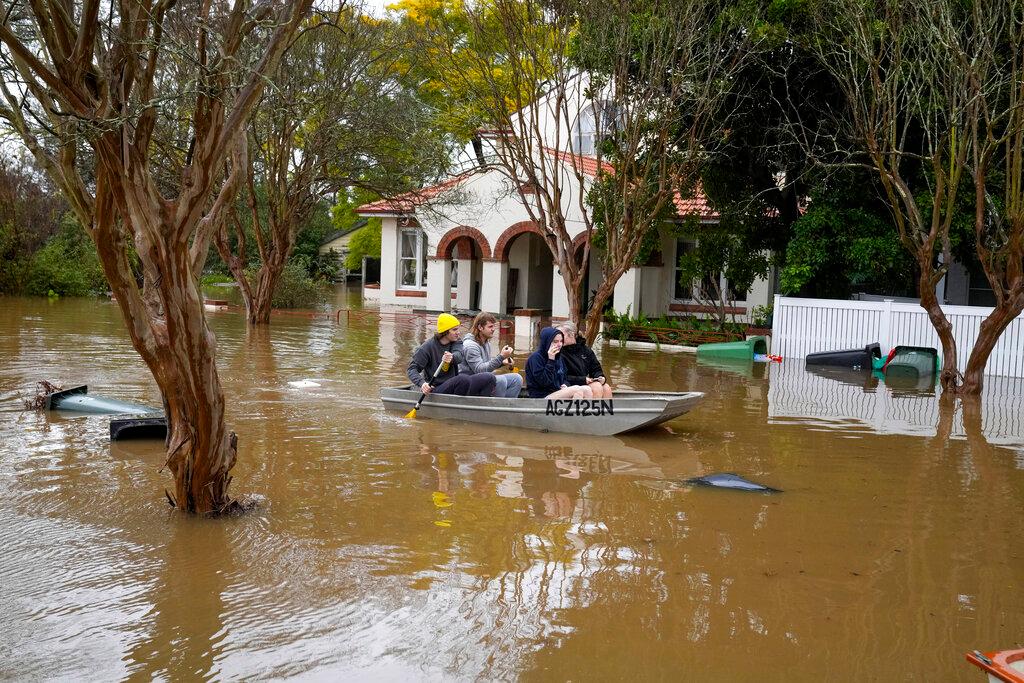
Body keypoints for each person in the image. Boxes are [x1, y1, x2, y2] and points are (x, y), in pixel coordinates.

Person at [407, 313, 496, 397]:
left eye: (458, 329)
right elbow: (412, 369)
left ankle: (481, 404)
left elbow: (459, 356)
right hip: (435, 388)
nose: (458, 332)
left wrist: (452, 357)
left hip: (452, 382)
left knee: (489, 377)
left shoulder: (457, 342)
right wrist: (422, 384)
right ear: (445, 332)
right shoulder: (426, 348)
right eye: (454, 330)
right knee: (462, 379)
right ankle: (458, 406)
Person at [460, 312, 524, 398]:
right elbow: (480, 370)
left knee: (517, 378)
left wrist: (502, 362)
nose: (493, 329)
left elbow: (487, 365)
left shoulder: (486, 342)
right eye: (490, 326)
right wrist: (501, 357)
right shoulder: (470, 346)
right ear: (480, 327)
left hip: (485, 378)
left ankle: (507, 407)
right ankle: (496, 408)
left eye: (494, 326)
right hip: (470, 382)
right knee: (501, 380)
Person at [524, 327, 593, 399]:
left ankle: (583, 410)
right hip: (541, 397)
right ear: (547, 341)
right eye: (555, 341)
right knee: (577, 390)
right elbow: (544, 382)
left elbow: (565, 377)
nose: (559, 344)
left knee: (587, 389)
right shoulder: (536, 358)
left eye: (561, 341)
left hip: (557, 393)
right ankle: (576, 410)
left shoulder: (559, 356)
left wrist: (566, 385)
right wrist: (551, 360)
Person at [556, 320, 612, 398]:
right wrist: (582, 380)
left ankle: (606, 410)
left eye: (561, 336)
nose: (559, 339)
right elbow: (560, 376)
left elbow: (596, 369)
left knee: (606, 388)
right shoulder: (558, 352)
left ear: (572, 335)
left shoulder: (585, 350)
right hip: (568, 384)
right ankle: (592, 410)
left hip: (584, 381)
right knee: (597, 387)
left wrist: (600, 377)